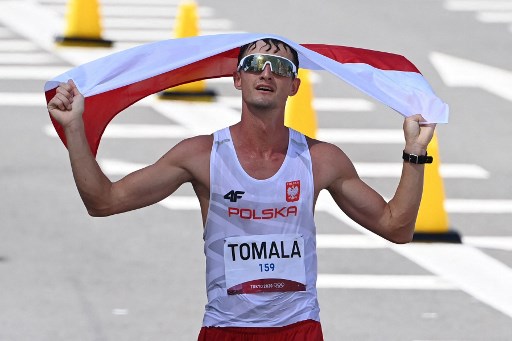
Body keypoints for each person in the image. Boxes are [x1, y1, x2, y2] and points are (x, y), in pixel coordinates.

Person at [47, 38, 436, 340]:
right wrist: (75, 128)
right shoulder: (200, 155)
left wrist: (414, 153)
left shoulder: (321, 160)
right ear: (237, 79)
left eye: (279, 67)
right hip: (225, 331)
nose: (265, 73)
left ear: (294, 86)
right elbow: (103, 201)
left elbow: (396, 227)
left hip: (298, 330)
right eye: (253, 65)